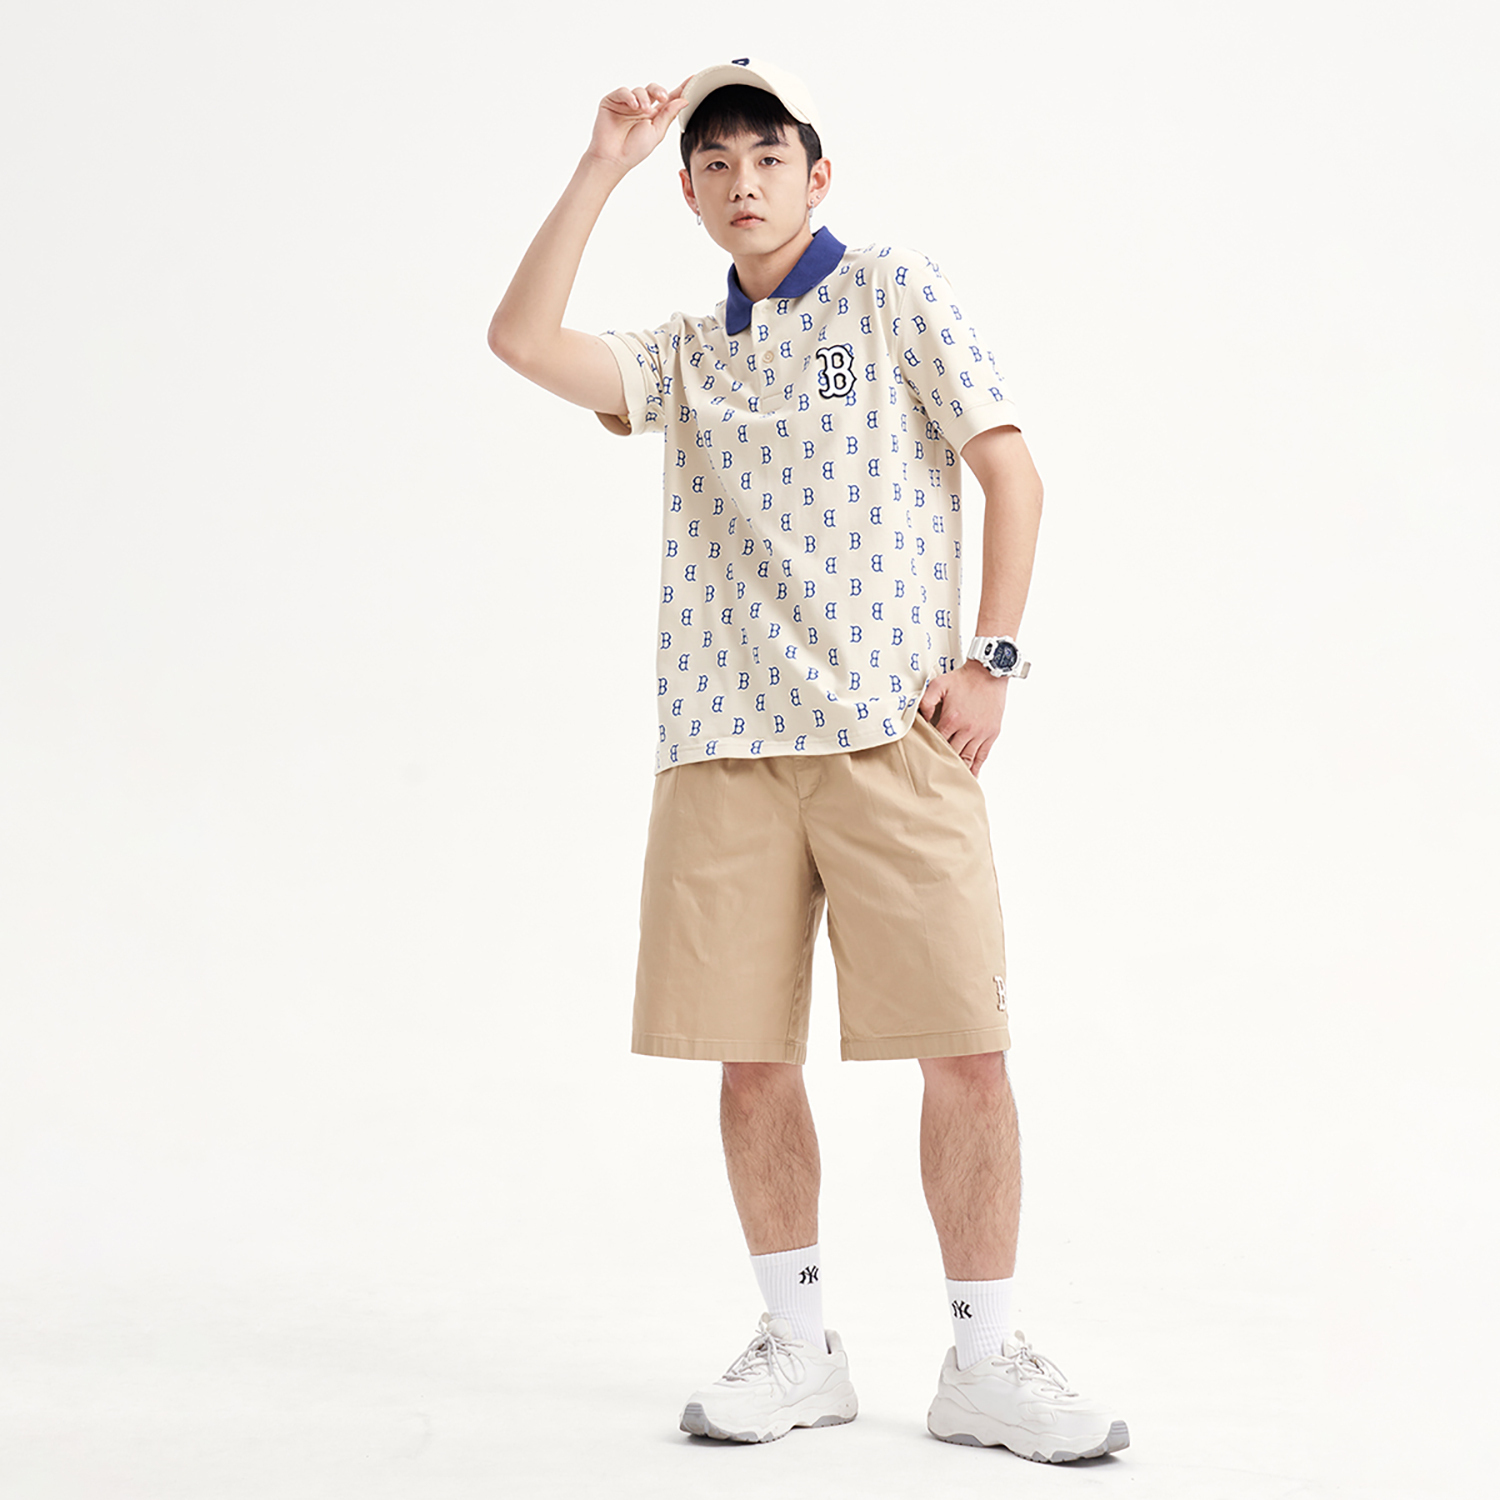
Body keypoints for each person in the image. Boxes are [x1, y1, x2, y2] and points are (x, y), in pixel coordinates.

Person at [487, 57, 1128, 1463]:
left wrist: (993, 660)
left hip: (896, 736)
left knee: (967, 1052)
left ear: (815, 173)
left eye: (767, 156)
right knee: (751, 1064)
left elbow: (1010, 468)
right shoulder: (680, 354)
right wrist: (600, 165)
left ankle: (985, 1359)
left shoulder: (893, 290)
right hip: (722, 746)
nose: (743, 182)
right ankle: (799, 1346)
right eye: (714, 165)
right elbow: (521, 341)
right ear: (690, 194)